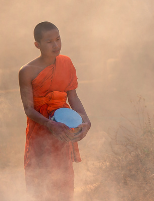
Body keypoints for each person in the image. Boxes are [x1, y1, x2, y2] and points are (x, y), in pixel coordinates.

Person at [19, 21, 91, 201]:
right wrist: (50, 124)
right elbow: (28, 109)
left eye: (58, 39)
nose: (56, 45)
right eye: (49, 41)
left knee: (63, 177)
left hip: (64, 126)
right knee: (41, 177)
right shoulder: (27, 72)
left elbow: (72, 97)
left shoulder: (66, 63)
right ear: (37, 45)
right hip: (41, 129)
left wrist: (86, 120)